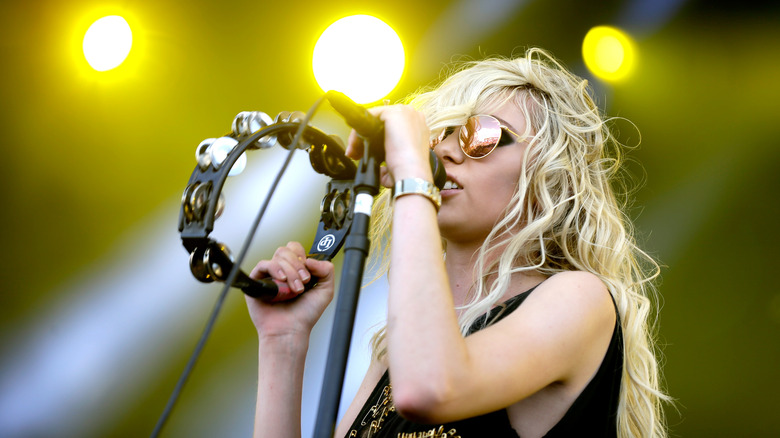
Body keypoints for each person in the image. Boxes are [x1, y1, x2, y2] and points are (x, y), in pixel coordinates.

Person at [244, 47, 669, 438]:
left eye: (481, 136)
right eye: (436, 136)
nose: (445, 152)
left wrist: (412, 170)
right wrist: (283, 342)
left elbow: (430, 390)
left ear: (550, 176)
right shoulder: (398, 352)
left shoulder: (580, 300)